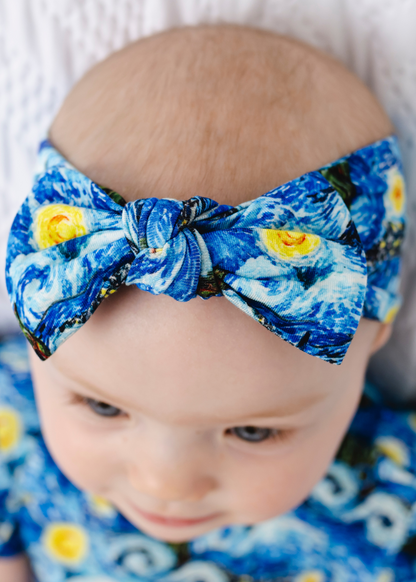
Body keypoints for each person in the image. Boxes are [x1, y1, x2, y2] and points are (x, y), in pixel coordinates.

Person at [0, 25, 412, 581]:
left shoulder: (396, 491)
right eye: (102, 407)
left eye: (253, 432)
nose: (165, 484)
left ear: (373, 338)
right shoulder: (10, 428)